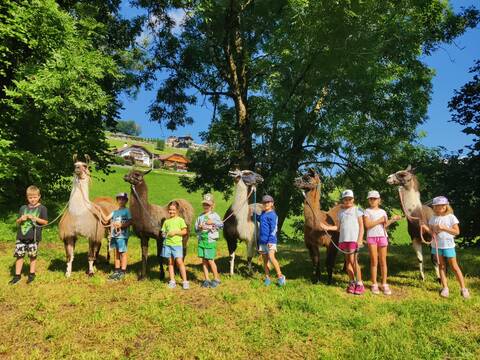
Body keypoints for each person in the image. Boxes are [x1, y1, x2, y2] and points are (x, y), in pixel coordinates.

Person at [421, 196, 470, 298]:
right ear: (434, 207)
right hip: (436, 246)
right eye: (438, 205)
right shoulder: (433, 218)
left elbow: (457, 232)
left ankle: (463, 289)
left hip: (448, 246)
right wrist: (425, 228)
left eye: (443, 205)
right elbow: (432, 233)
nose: (441, 207)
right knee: (441, 266)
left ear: (447, 206)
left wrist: (444, 228)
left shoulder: (451, 217)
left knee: (454, 267)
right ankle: (445, 288)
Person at [320, 190, 364, 295]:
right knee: (348, 262)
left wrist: (360, 239)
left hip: (354, 239)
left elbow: (361, 226)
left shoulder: (357, 210)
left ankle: (360, 283)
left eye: (350, 199)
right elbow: (338, 227)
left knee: (354, 262)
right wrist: (326, 227)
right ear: (343, 200)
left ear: (353, 199)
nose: (348, 201)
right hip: (343, 240)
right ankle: (352, 282)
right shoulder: (340, 213)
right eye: (345, 199)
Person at [363, 190, 401, 295]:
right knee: (374, 261)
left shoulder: (383, 212)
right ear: (368, 200)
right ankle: (374, 284)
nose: (372, 200)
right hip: (371, 237)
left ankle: (384, 284)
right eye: (370, 199)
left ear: (379, 200)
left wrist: (393, 220)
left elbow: (384, 225)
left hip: (382, 237)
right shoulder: (366, 211)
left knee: (383, 261)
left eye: (374, 199)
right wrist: (379, 220)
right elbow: (367, 225)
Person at [9, 186, 48, 285]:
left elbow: (45, 222)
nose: (33, 199)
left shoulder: (42, 208)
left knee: (32, 256)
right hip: (21, 237)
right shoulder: (23, 208)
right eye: (30, 198)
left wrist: (35, 218)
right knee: (19, 256)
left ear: (39, 196)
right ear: (27, 198)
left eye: (35, 197)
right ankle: (17, 276)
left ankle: (31, 274)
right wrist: (21, 219)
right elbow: (17, 222)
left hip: (34, 238)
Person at [257, 195, 286, 286]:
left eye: (268, 202)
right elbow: (258, 219)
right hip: (262, 241)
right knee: (265, 260)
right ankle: (267, 277)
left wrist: (270, 240)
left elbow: (273, 229)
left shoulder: (273, 215)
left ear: (272, 203)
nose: (266, 204)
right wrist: (253, 214)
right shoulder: (262, 214)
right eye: (264, 202)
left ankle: (280, 276)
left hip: (270, 241)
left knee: (272, 257)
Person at [195, 193, 223, 288]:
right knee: (204, 260)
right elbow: (195, 229)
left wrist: (213, 222)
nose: (206, 206)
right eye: (204, 204)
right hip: (201, 241)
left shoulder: (214, 215)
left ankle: (217, 279)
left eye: (208, 204)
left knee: (210, 260)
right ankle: (206, 279)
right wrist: (199, 227)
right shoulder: (200, 217)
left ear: (212, 205)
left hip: (210, 240)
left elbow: (221, 225)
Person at [162, 201, 189, 289]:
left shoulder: (180, 220)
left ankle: (185, 281)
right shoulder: (166, 222)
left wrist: (175, 232)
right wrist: (164, 234)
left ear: (177, 210)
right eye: (170, 210)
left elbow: (185, 231)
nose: (171, 211)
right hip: (168, 245)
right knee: (170, 263)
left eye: (173, 210)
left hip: (177, 245)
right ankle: (172, 281)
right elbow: (163, 232)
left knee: (179, 262)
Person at [106, 193, 132, 281]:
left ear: (126, 201)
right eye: (119, 199)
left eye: (123, 199)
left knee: (123, 253)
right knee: (116, 252)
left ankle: (123, 271)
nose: (121, 201)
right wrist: (97, 211)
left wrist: (121, 225)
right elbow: (106, 219)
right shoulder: (114, 212)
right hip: (114, 235)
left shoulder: (127, 211)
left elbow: (130, 221)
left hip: (122, 236)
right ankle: (117, 270)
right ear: (117, 200)